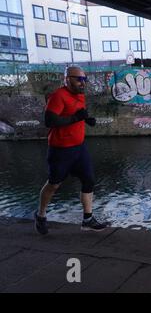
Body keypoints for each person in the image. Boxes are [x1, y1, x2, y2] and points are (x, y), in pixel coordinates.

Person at [34, 65, 107, 235]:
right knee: (53, 185)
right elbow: (50, 121)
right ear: (67, 79)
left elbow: (79, 112)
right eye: (78, 79)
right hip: (60, 150)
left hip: (79, 148)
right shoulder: (58, 96)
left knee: (89, 180)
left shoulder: (80, 95)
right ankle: (40, 215)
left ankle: (87, 219)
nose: (82, 83)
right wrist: (76, 118)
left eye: (84, 79)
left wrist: (87, 119)